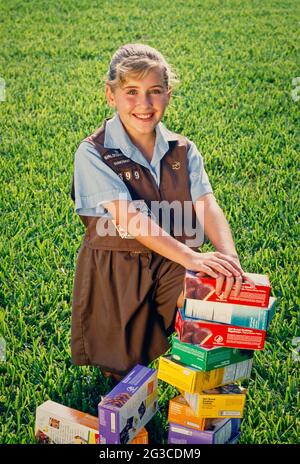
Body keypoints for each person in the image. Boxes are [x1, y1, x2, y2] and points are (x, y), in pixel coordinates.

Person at [70, 43, 254, 382]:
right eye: (131, 92)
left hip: (172, 261)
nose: (144, 104)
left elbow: (207, 204)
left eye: (155, 91)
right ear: (110, 95)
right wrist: (193, 257)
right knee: (124, 371)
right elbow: (129, 219)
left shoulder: (182, 149)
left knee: (208, 303)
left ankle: (200, 397)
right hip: (118, 272)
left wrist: (228, 258)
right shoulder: (93, 152)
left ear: (168, 94)